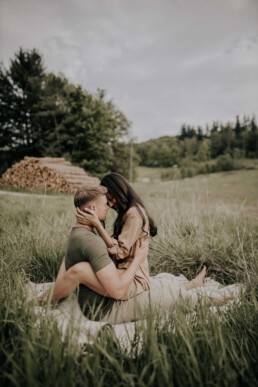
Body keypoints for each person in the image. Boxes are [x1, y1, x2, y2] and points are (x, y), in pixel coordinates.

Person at [40, 184, 222, 324]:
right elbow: (118, 290)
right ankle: (224, 297)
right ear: (93, 209)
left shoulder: (76, 235)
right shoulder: (92, 242)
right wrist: (138, 259)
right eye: (105, 204)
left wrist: (49, 295)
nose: (108, 207)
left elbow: (67, 263)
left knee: (160, 285)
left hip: (99, 302)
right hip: (109, 310)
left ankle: (191, 284)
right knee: (177, 298)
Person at [40, 173, 157, 304]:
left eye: (111, 199)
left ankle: (47, 300)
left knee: (81, 269)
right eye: (107, 201)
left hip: (133, 277)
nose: (111, 205)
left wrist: (96, 224)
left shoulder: (134, 214)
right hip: (121, 271)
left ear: (120, 191)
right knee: (77, 259)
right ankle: (50, 295)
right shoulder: (127, 212)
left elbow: (120, 252)